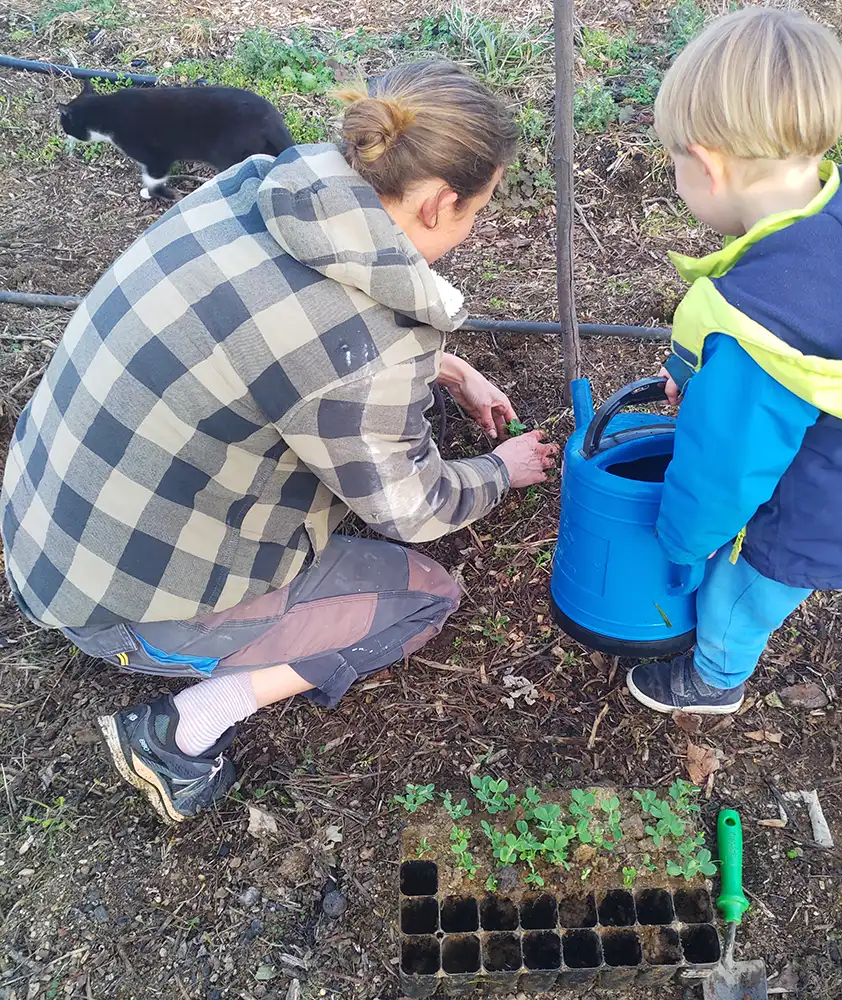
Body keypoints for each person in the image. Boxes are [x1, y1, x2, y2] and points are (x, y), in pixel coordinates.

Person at [1, 60, 558, 822]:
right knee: (424, 598)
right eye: (476, 213)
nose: (472, 231)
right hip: (113, 607)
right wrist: (500, 468)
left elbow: (274, 340)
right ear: (436, 203)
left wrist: (445, 366)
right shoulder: (367, 347)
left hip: (43, 526)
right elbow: (415, 507)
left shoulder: (255, 188)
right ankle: (177, 731)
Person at [625, 9, 842, 715]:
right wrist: (691, 374)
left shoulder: (756, 330)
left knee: (735, 598)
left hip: (794, 519)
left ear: (708, 164)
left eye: (675, 166)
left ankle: (714, 678)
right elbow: (826, 323)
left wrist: (682, 541)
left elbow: (724, 468)